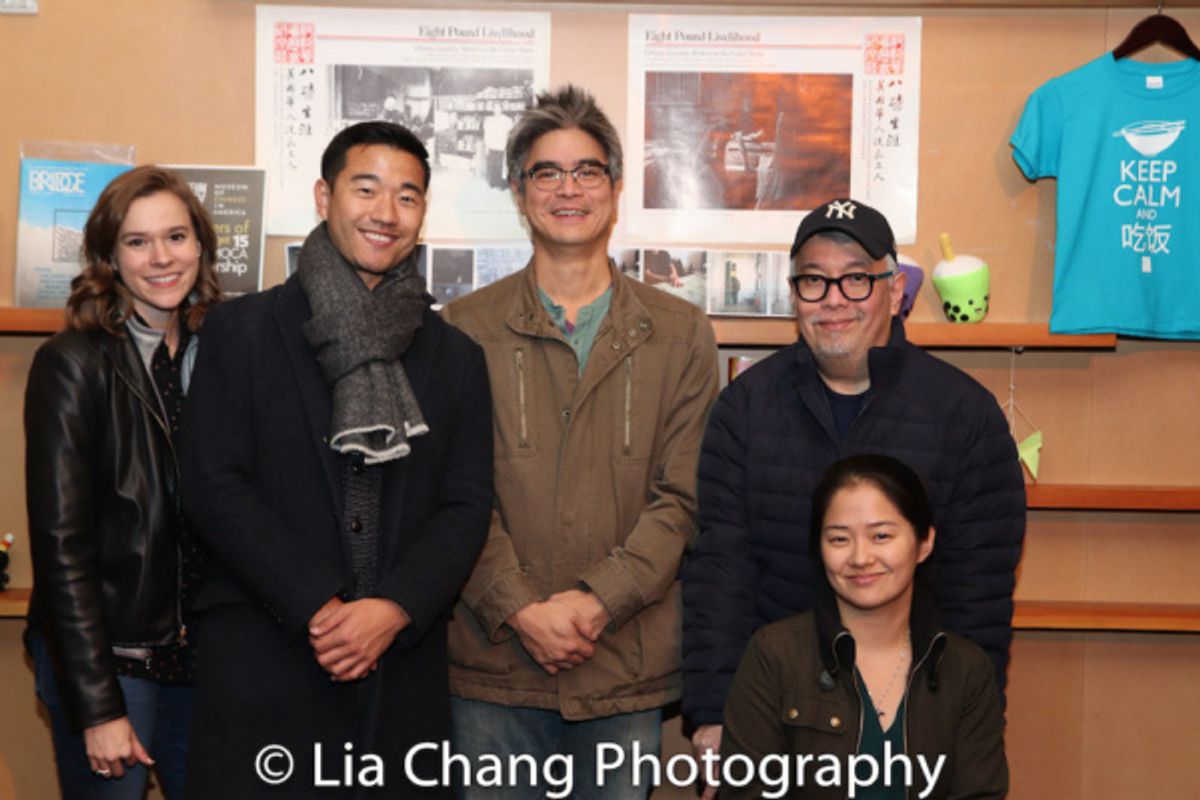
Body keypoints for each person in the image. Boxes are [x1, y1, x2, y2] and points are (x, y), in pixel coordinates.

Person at [180, 121, 492, 798]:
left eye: (407, 196)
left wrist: (393, 608)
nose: (386, 212)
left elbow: (466, 506)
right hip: (267, 655)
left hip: (400, 674)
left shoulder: (457, 357)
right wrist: (319, 604)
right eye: (367, 188)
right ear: (325, 196)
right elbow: (212, 484)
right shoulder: (242, 330)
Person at [683, 198, 1025, 796]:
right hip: (776, 714)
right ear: (795, 296)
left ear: (894, 293)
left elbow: (981, 592)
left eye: (857, 279)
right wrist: (713, 713)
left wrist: (972, 721)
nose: (834, 298)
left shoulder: (964, 413)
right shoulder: (746, 407)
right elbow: (720, 568)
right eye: (814, 280)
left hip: (917, 709)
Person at [441, 85, 719, 799]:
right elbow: (448, 494)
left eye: (587, 171)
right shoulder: (462, 329)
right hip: (493, 659)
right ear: (519, 189)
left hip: (619, 663)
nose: (569, 189)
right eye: (547, 172)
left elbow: (683, 499)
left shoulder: (680, 331)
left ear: (616, 187)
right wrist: (523, 610)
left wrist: (595, 605)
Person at [25, 165, 222, 798]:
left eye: (177, 236)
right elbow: (61, 550)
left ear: (201, 245)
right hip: (113, 664)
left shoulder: (221, 353)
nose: (162, 257)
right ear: (109, 256)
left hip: (205, 660)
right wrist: (99, 706)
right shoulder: (72, 363)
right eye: (138, 242)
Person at [720, 455, 1008, 799]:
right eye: (839, 539)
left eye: (881, 536)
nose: (860, 558)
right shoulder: (774, 656)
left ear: (924, 542)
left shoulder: (965, 670)